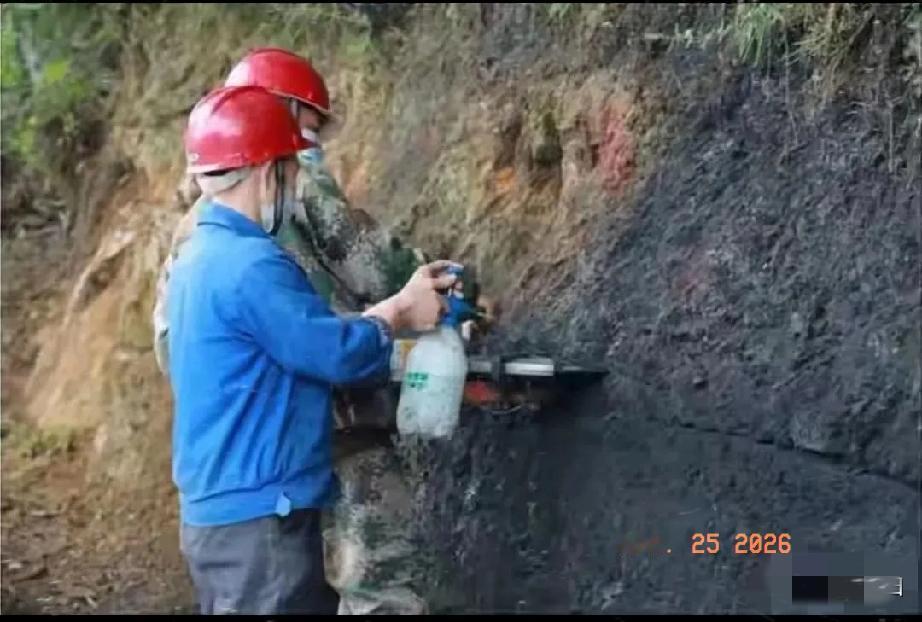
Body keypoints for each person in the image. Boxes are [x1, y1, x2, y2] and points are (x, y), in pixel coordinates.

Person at [167, 83, 459, 615]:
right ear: (266, 171)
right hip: (261, 514)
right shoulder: (249, 265)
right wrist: (400, 311)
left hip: (223, 511)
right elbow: (333, 352)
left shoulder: (197, 257)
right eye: (292, 169)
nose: (297, 182)